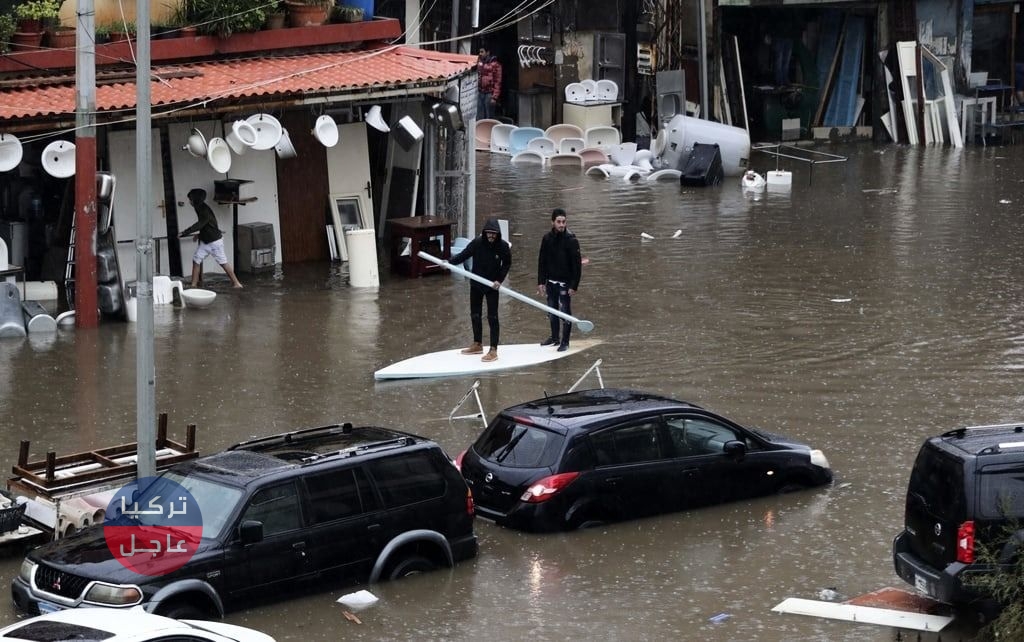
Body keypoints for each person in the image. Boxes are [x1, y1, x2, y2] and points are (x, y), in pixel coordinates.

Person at [448, 218, 511, 362]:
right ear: (485, 233)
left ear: (497, 234)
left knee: (492, 317)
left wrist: (499, 280)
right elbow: (463, 255)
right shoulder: (477, 243)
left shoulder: (502, 246)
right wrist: (449, 263)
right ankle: (477, 344)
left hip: (492, 286)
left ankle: (493, 349)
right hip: (476, 283)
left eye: (494, 234)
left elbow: (507, 263)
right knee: (475, 314)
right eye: (489, 233)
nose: (491, 236)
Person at [536, 207, 582, 352]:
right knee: (552, 311)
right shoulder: (547, 239)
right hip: (550, 282)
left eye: (563, 221)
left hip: (565, 283)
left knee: (565, 312)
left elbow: (577, 265)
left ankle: (565, 341)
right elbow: (541, 261)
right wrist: (541, 281)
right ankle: (554, 337)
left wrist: (574, 285)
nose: (561, 225)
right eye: (558, 222)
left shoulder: (571, 240)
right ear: (552, 222)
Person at [179, 188, 243, 289]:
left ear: (195, 199)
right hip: (206, 241)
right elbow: (207, 225)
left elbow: (200, 224)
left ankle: (236, 283)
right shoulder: (199, 207)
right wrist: (199, 235)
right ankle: (193, 285)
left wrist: (184, 233)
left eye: (190, 199)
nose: (189, 201)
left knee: (223, 262)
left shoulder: (204, 210)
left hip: (214, 241)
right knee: (196, 260)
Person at [477, 48, 502, 120]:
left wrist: (494, 97)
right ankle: (480, 130)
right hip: (480, 92)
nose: (480, 54)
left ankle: (490, 130)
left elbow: (498, 81)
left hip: (489, 93)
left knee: (489, 116)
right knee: (480, 115)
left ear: (487, 52)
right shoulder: (480, 63)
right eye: (479, 52)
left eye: (482, 52)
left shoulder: (496, 65)